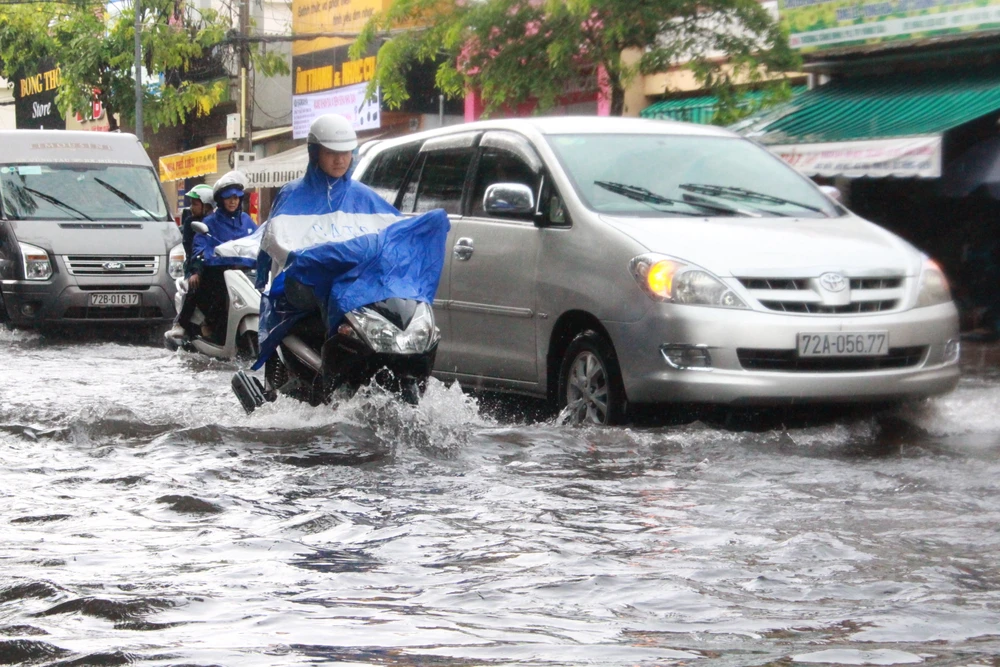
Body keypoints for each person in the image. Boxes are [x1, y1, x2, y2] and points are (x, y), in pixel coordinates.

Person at [187, 171, 258, 343]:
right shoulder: (210, 222)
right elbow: (199, 247)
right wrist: (201, 264)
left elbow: (259, 241)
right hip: (220, 273)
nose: (233, 201)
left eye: (236, 197)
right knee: (219, 296)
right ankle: (211, 326)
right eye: (229, 198)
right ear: (220, 200)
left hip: (246, 274)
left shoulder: (247, 220)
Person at [165, 185, 215, 340]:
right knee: (195, 286)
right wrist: (196, 271)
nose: (192, 207)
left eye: (195, 203)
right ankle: (181, 322)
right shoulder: (190, 223)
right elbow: (193, 250)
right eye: (192, 204)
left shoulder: (219, 221)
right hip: (195, 266)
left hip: (217, 265)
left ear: (207, 205)